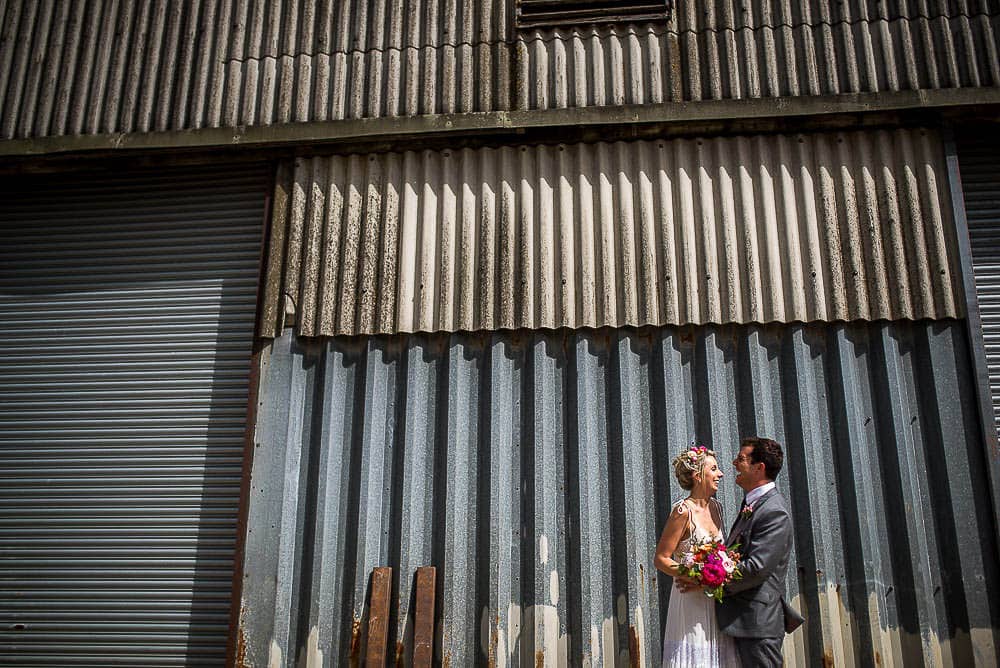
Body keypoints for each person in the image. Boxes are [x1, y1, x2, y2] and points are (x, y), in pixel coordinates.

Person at [716, 436, 804, 667]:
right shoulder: (754, 504)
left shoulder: (773, 510)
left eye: (741, 459)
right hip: (744, 621)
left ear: (759, 467)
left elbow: (757, 568)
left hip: (757, 624)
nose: (735, 463)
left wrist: (713, 581)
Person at [654, 446, 738, 667]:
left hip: (715, 600)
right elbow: (661, 558)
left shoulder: (717, 508)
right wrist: (694, 575)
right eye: (714, 469)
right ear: (697, 475)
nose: (720, 474)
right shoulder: (682, 512)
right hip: (690, 599)